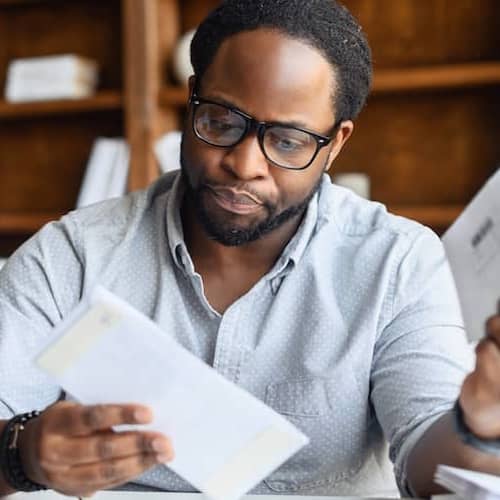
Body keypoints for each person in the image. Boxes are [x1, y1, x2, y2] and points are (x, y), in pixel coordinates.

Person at [1, 0, 500, 497]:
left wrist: (475, 426)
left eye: (287, 141)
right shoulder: (71, 256)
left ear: (336, 144)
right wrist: (21, 454)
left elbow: (432, 476)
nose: (243, 164)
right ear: (192, 97)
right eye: (221, 121)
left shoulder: (397, 261)